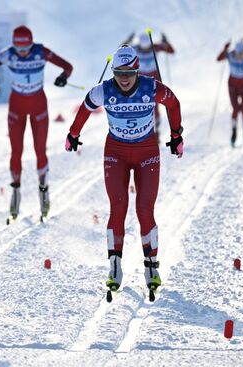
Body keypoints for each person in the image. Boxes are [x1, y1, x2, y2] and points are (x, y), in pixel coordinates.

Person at [65, 45, 183, 297]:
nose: (124, 78)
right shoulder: (104, 90)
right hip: (116, 153)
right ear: (113, 72)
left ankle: (151, 266)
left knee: (144, 209)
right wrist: (73, 134)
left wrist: (176, 135)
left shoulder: (151, 87)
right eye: (119, 73)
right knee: (118, 206)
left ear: (138, 70)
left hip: (147, 152)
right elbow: (84, 108)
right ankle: (115, 266)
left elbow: (173, 104)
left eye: (129, 72)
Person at [0, 25, 73, 220]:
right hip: (17, 105)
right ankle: (15, 191)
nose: (22, 53)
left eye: (25, 48)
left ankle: (44, 191)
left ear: (31, 43)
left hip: (38, 104)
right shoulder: (9, 54)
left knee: (40, 150)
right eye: (19, 49)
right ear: (14, 45)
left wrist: (63, 77)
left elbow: (68, 66)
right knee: (16, 151)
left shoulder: (41, 51)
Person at [123, 32, 175, 138]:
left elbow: (170, 51)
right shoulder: (135, 48)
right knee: (141, 103)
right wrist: (127, 41)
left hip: (154, 78)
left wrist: (166, 42)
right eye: (144, 49)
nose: (146, 51)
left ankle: (156, 128)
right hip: (140, 80)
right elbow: (122, 50)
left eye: (147, 49)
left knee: (155, 102)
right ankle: (140, 128)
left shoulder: (155, 47)